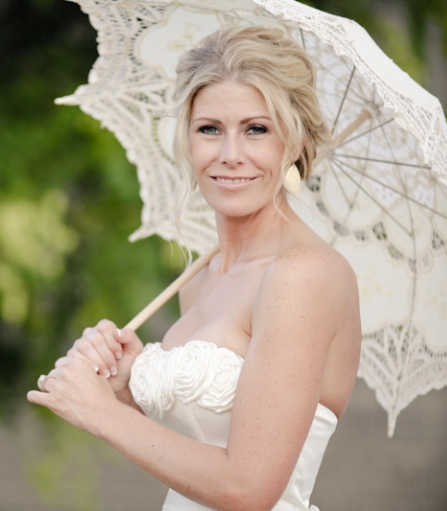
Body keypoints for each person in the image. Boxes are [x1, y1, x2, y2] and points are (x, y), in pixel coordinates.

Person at [27, 26, 361, 511]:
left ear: (295, 142)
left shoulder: (302, 275)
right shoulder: (203, 277)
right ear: (186, 138)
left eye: (256, 129)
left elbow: (248, 488)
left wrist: (102, 416)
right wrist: (125, 386)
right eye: (209, 129)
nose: (230, 155)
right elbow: (199, 444)